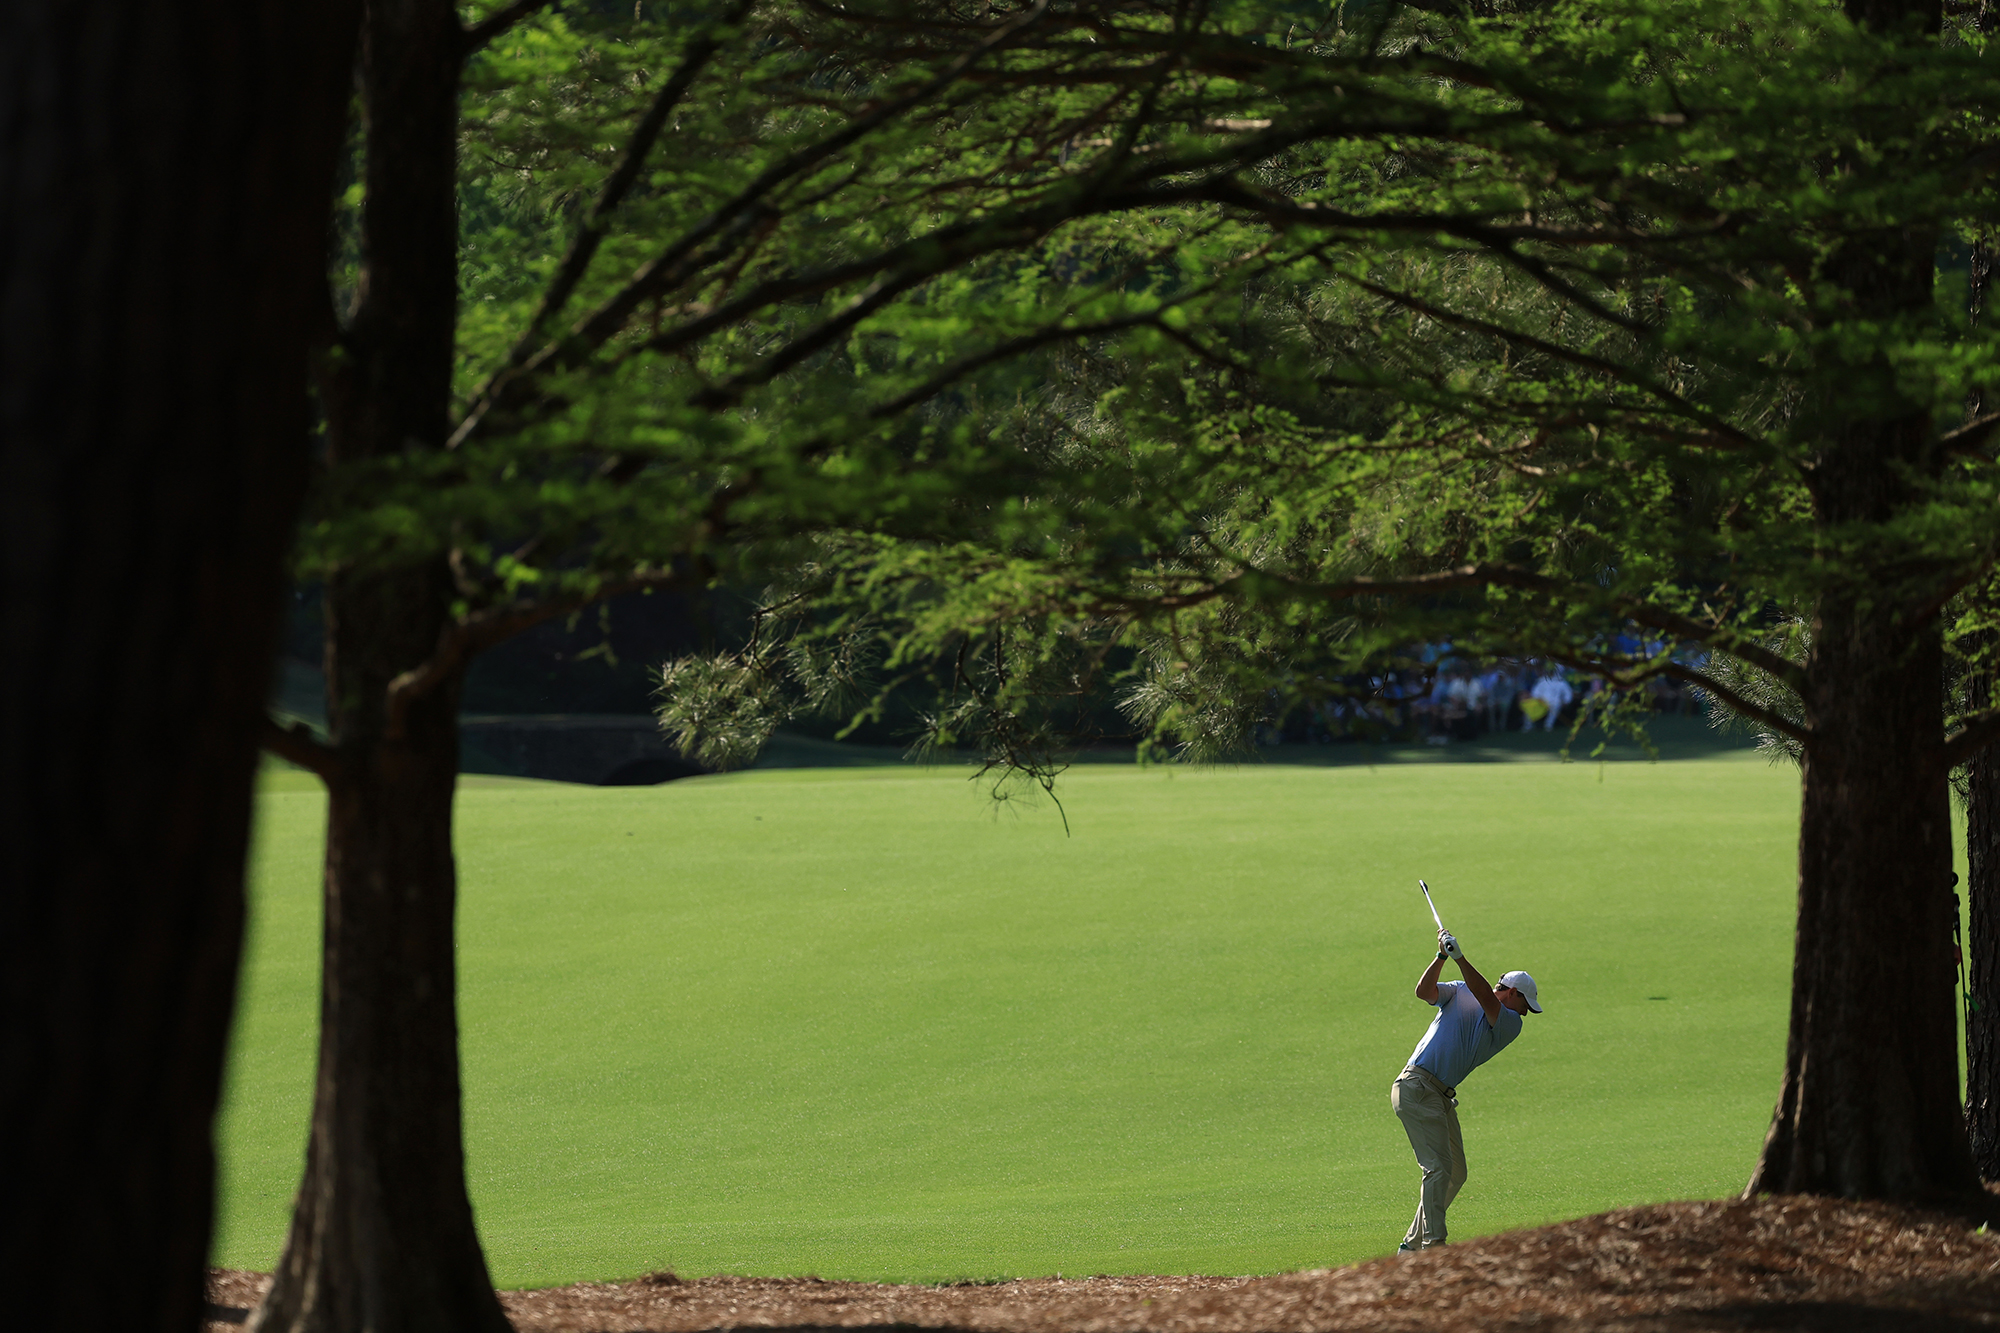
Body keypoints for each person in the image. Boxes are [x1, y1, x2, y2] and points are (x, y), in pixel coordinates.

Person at [1391, 928, 1541, 1252]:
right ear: (1513, 992)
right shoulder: (1460, 990)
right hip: (1417, 1086)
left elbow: (1485, 996)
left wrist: (1459, 957)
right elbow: (1424, 992)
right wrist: (1441, 957)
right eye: (1525, 1004)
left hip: (1438, 1096)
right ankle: (1433, 1245)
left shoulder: (1510, 1023)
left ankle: (1411, 1246)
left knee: (1455, 1172)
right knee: (1437, 1168)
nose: (1525, 1012)